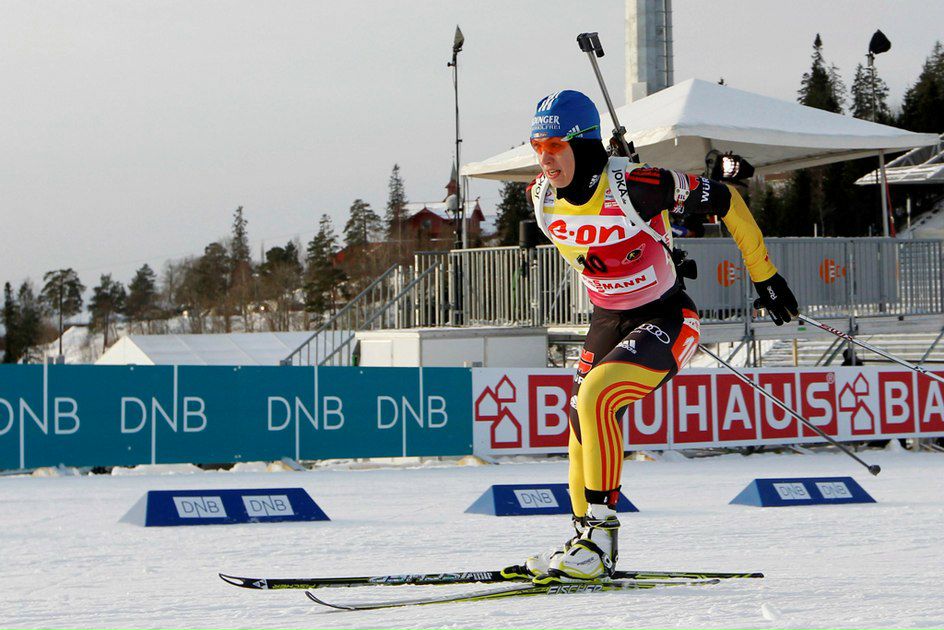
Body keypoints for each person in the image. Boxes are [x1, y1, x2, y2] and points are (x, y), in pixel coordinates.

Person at [516, 90, 798, 583]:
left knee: (597, 396)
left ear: (582, 144)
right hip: (607, 320)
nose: (544, 158)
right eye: (536, 144)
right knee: (581, 415)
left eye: (555, 144)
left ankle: (601, 537)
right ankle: (584, 540)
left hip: (668, 317)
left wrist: (765, 277)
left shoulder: (638, 186)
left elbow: (725, 200)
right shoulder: (539, 196)